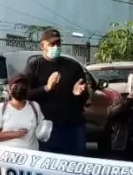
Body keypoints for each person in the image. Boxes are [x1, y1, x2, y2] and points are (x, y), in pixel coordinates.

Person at [24, 28, 89, 156]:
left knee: (75, 164)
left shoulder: (73, 66)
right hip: (47, 127)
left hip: (73, 126)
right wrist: (46, 88)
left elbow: (85, 98)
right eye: (51, 44)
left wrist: (79, 93)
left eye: (58, 44)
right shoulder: (34, 66)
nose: (56, 47)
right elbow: (26, 95)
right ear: (42, 46)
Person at [0, 75, 48, 150]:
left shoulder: (35, 106)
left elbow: (41, 130)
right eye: (16, 85)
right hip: (7, 156)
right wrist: (16, 134)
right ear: (9, 88)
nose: (20, 88)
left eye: (23, 86)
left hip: (30, 155)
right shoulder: (2, 108)